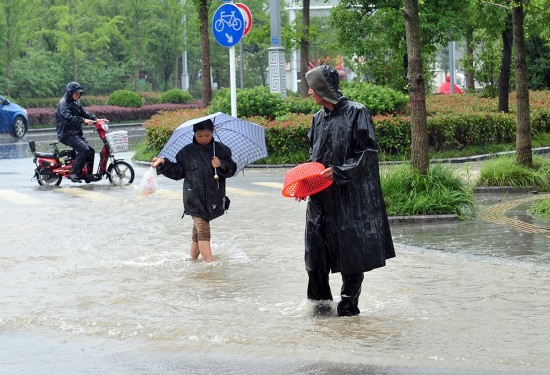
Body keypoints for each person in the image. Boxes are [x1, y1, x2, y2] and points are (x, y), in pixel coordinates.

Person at [302, 65, 395, 316]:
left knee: (350, 255)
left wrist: (340, 171)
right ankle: (320, 306)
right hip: (320, 199)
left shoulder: (357, 112)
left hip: (349, 198)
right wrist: (304, 184)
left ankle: (348, 306)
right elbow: (314, 158)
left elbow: (367, 153)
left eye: (313, 86)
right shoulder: (318, 118)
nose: (309, 91)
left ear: (324, 87)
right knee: (314, 253)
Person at [150, 119, 237, 262]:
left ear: (212, 132)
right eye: (200, 135)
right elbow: (177, 173)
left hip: (214, 197)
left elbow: (231, 169)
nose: (203, 139)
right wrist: (164, 163)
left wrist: (221, 165)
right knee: (203, 227)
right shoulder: (186, 152)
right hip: (193, 198)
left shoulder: (222, 150)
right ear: (194, 133)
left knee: (198, 229)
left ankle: (192, 260)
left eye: (207, 135)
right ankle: (210, 264)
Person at [56, 82, 103, 183]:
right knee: (84, 150)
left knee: (91, 151)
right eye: (76, 93)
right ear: (70, 93)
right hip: (66, 134)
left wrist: (96, 119)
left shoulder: (75, 102)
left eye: (79, 93)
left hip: (75, 133)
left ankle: (88, 175)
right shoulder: (63, 104)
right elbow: (68, 118)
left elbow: (84, 113)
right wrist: (83, 120)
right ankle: (74, 174)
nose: (78, 95)